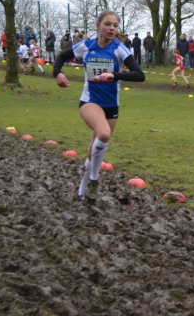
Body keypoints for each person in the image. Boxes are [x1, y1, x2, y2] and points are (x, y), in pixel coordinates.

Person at [53, 11, 145, 202]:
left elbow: (139, 75)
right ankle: (94, 179)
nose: (111, 28)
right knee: (103, 134)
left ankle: (82, 192)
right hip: (90, 101)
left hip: (111, 105)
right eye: (107, 24)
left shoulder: (119, 49)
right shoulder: (86, 46)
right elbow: (61, 56)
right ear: (98, 25)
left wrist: (114, 75)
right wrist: (57, 74)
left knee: (94, 150)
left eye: (115, 25)